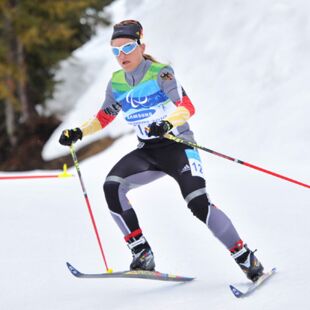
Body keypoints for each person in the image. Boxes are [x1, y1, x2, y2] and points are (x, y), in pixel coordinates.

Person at [59, 20, 264, 282]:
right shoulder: (116, 82)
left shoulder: (161, 73)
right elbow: (104, 116)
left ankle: (246, 257)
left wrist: (167, 122)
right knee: (113, 185)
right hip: (148, 152)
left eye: (128, 47)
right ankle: (142, 253)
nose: (122, 55)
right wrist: (79, 132)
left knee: (198, 203)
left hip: (179, 147)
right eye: (115, 50)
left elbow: (187, 106)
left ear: (142, 46)